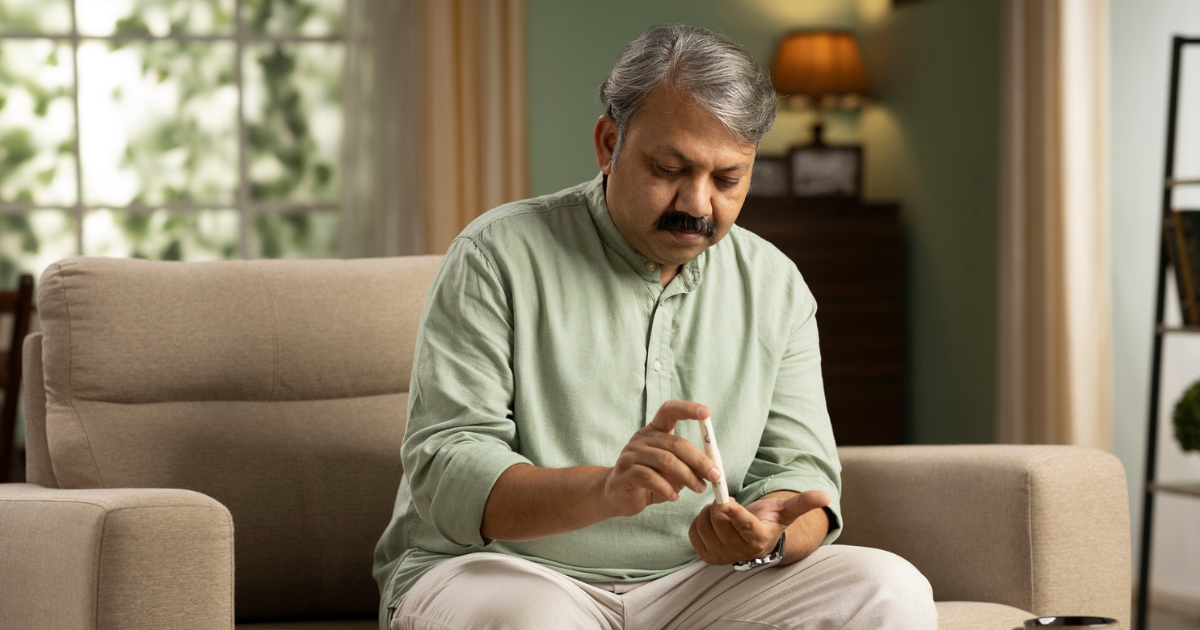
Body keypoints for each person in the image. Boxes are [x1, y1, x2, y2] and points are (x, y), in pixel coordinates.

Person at [373, 24, 938, 630]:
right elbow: (446, 468)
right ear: (608, 142)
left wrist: (768, 535)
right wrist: (604, 490)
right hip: (507, 571)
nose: (697, 204)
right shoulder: (495, 254)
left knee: (891, 590)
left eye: (727, 180)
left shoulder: (777, 285)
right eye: (670, 168)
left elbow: (801, 474)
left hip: (700, 582)